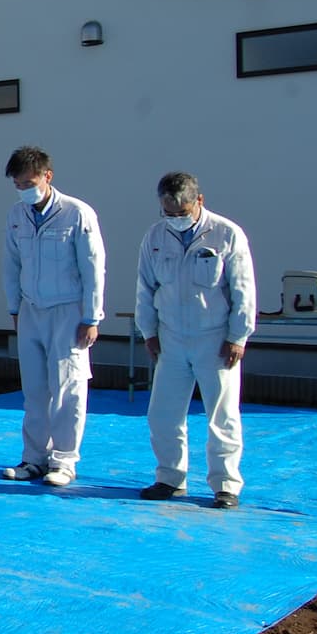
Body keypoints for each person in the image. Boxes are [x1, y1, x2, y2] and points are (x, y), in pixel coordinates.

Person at [135, 171, 256, 509]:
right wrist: (149, 332)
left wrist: (238, 336)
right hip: (171, 337)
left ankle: (226, 484)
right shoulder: (155, 236)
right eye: (168, 212)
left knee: (222, 413)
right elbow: (145, 288)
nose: (175, 219)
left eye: (181, 211)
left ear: (199, 201)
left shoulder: (226, 234)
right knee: (163, 413)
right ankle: (170, 477)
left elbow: (243, 290)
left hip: (215, 338)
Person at [0, 146, 106, 488]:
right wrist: (15, 307)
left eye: (29, 182)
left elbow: (93, 268)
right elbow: (11, 264)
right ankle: (34, 458)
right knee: (34, 389)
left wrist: (92, 316)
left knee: (68, 389)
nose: (23, 190)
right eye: (17, 184)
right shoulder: (17, 215)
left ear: (48, 176)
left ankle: (64, 460)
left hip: (68, 310)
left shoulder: (77, 214)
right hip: (32, 309)